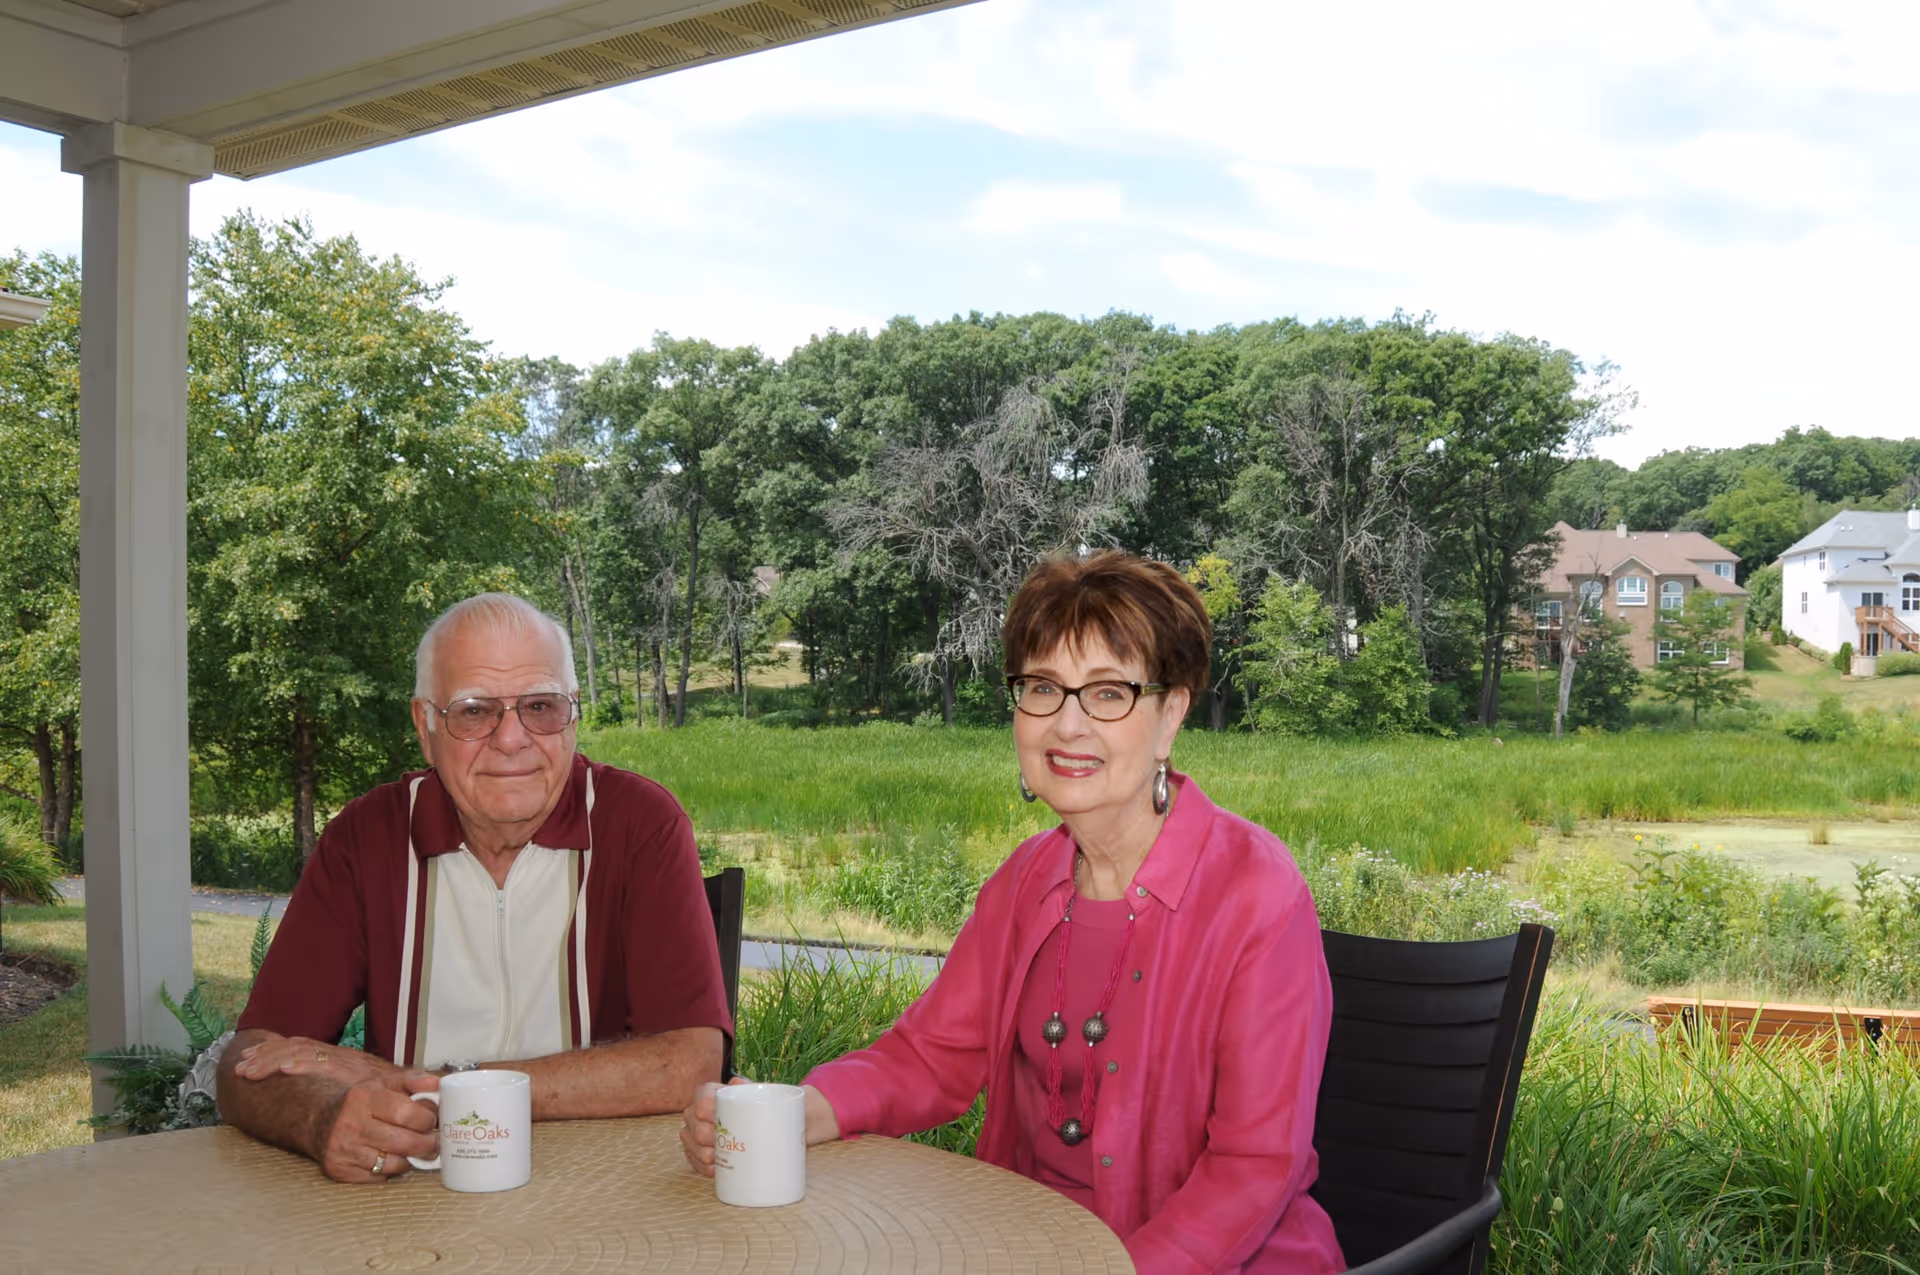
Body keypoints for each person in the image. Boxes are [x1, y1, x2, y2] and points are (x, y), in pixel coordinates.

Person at [681, 552, 1344, 1273]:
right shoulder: (1025, 881)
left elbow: (1253, 1167)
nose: (1067, 724)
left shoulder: (1257, 894)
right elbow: (929, 1056)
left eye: (1107, 693)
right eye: (1043, 688)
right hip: (1030, 1246)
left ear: (1171, 712)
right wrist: (798, 1111)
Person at [219, 593, 731, 1183]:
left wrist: (437, 1085)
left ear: (573, 715)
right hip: (410, 1193)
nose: (512, 739)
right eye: (473, 711)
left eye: (541, 706)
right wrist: (323, 1117)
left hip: (605, 1182)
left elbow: (690, 1063)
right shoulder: (366, 840)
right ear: (425, 726)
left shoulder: (640, 825)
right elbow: (249, 1060)